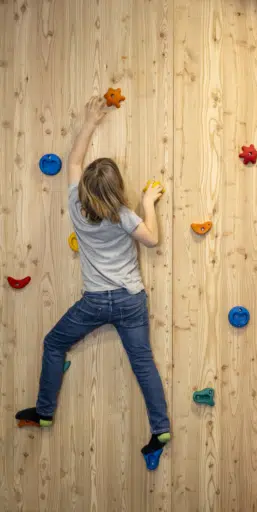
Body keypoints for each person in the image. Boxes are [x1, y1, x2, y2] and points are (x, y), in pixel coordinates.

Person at [15, 96, 171, 470]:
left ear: (85, 187)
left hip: (96, 302)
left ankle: (45, 411)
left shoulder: (75, 206)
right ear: (118, 189)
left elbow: (72, 160)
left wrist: (89, 121)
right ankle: (160, 428)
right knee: (143, 363)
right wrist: (148, 201)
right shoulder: (123, 214)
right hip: (131, 300)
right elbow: (152, 239)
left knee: (53, 343)